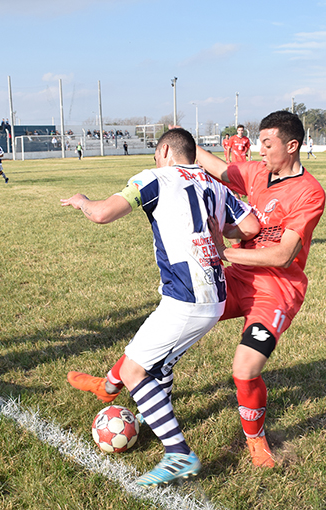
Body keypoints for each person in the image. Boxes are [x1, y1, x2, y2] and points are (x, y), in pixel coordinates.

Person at [71, 111, 326, 471]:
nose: (260, 150)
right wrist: (177, 134)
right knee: (172, 322)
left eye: (267, 145)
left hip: (276, 289)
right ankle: (113, 384)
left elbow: (285, 255)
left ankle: (255, 440)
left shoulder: (309, 191)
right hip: (237, 278)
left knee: (245, 369)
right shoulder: (256, 172)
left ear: (292, 145)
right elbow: (203, 161)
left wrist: (223, 251)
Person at [62, 128, 260, 486]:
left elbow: (103, 214)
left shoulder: (155, 178)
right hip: (215, 295)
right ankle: (150, 413)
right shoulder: (216, 186)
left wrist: (82, 200)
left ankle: (178, 453)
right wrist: (218, 236)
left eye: (156, 155)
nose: (155, 160)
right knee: (159, 362)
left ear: (166, 151)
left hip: (186, 298)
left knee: (135, 371)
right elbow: (250, 226)